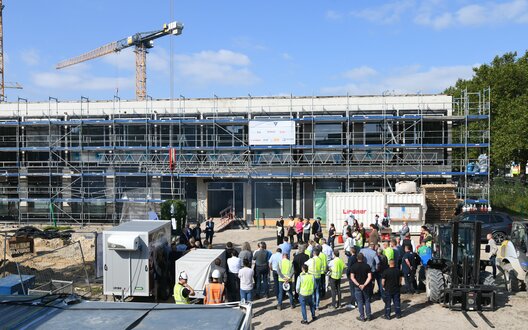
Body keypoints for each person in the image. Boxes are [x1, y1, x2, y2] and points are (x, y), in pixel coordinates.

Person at [350, 253, 373, 322]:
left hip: (357, 287)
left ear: (357, 258)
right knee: (367, 301)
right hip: (366, 286)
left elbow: (352, 277)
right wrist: (364, 284)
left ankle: (362, 317)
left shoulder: (353, 267)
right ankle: (369, 316)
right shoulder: (367, 266)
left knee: (360, 302)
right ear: (363, 258)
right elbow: (370, 277)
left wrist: (359, 285)